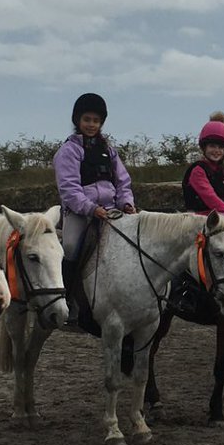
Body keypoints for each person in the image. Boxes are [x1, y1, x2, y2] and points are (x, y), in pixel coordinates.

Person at [53, 93, 136, 328]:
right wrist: (91, 209)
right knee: (69, 248)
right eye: (87, 119)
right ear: (78, 120)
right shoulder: (68, 151)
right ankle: (65, 301)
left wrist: (126, 203)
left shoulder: (108, 151)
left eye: (96, 121)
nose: (91, 124)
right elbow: (69, 188)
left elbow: (123, 182)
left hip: (110, 210)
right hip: (80, 213)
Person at [181, 112, 224, 227]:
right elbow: (210, 197)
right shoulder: (198, 170)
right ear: (204, 148)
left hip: (223, 216)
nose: (217, 150)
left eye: (221, 147)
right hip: (200, 220)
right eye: (212, 146)